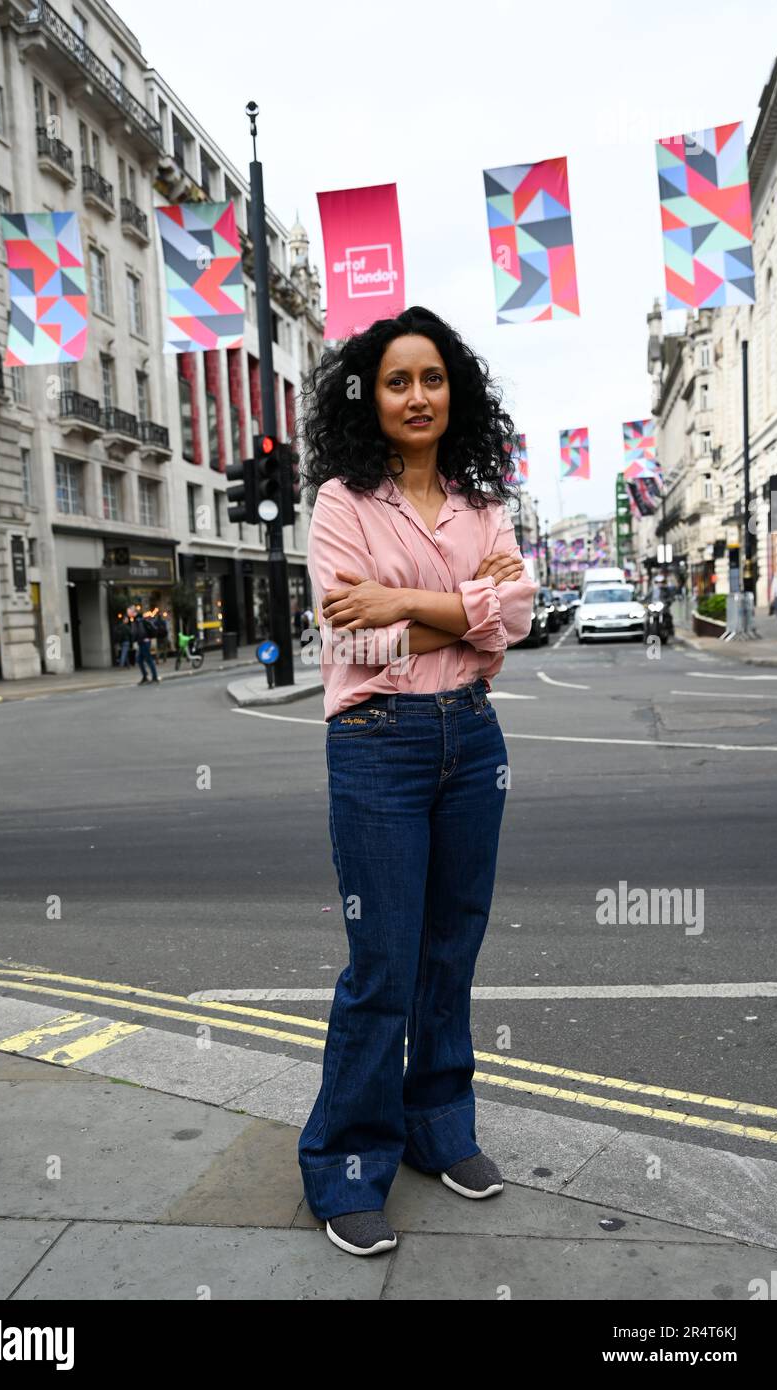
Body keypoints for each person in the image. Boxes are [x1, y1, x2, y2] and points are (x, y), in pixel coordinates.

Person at [297, 305, 537, 1257]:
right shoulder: (339, 503)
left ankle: (439, 1129)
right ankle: (348, 1163)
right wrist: (467, 614)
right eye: (397, 381)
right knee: (383, 965)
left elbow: (519, 612)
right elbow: (352, 638)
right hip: (378, 741)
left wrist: (404, 601)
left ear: (455, 390)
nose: (417, 396)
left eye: (432, 378)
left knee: (452, 947)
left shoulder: (483, 501)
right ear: (370, 396)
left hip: (472, 741)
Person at [128, 605, 159, 685]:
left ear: (133, 611)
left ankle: (154, 677)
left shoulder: (138, 619)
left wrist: (138, 638)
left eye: (128, 611)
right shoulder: (136, 619)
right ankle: (146, 676)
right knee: (140, 660)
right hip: (142, 642)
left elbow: (140, 632)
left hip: (144, 642)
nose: (128, 613)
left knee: (148, 659)